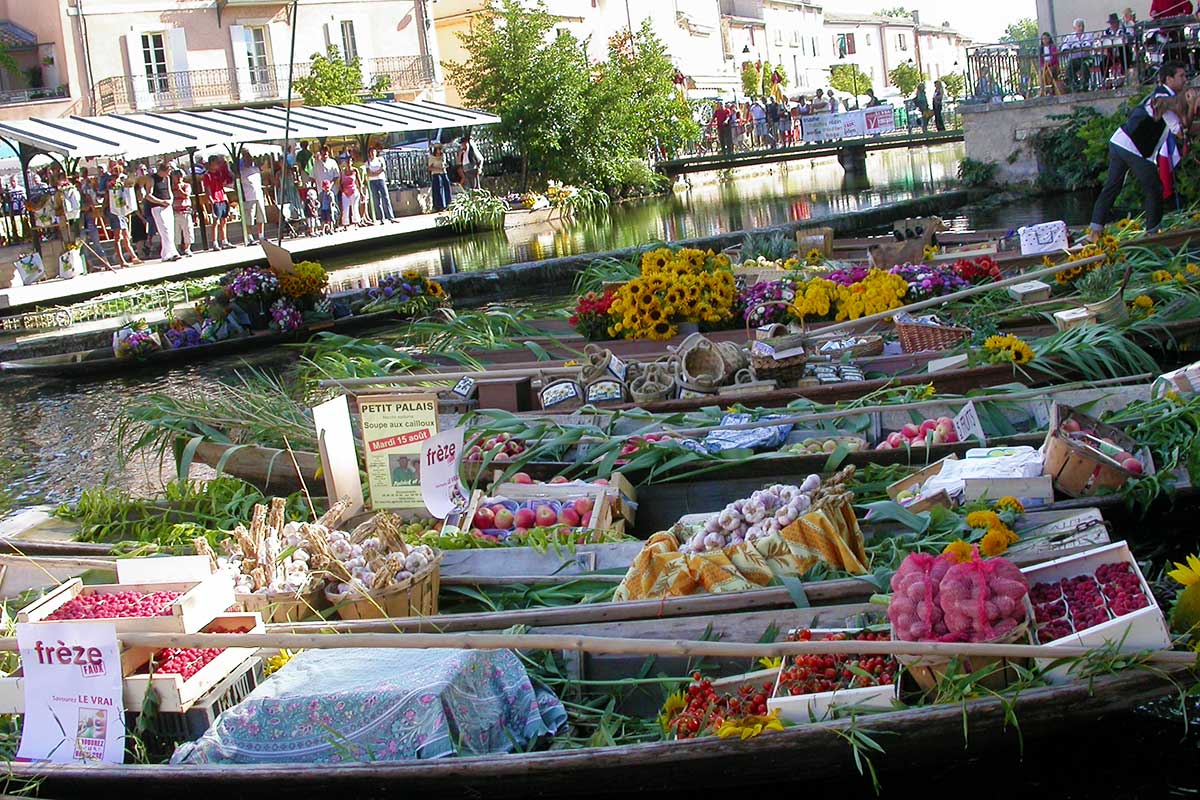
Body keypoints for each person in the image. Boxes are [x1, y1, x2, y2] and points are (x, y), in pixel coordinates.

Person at [1089, 61, 1189, 239]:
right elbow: (1178, 127)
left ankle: (1095, 230)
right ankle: (1152, 233)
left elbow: (1178, 127)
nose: (1185, 80)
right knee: (1154, 188)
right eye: (1181, 76)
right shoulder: (1162, 95)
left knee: (1112, 187)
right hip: (1134, 148)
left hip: (1120, 141)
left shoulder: (1167, 97)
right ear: (1169, 79)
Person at [104, 162, 140, 267]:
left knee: (126, 235)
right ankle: (121, 261)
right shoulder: (110, 186)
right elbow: (107, 199)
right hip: (114, 212)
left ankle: (133, 257)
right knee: (118, 237)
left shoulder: (121, 184)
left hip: (121, 210)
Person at [147, 161, 179, 262]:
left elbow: (169, 192)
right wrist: (161, 202)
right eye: (168, 171)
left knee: (170, 230)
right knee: (164, 230)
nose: (169, 173)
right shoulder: (152, 179)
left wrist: (170, 201)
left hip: (167, 206)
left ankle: (165, 254)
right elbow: (148, 195)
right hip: (157, 207)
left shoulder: (167, 178)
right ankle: (173, 252)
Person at [202, 155, 233, 250]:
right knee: (215, 221)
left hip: (222, 198)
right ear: (211, 163)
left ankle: (224, 241)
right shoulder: (207, 175)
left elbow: (225, 183)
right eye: (216, 162)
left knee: (224, 220)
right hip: (215, 200)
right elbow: (207, 189)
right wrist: (211, 200)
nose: (218, 165)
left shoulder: (219, 173)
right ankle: (215, 242)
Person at [238, 149, 266, 243]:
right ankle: (249, 236)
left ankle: (261, 235)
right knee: (249, 218)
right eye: (246, 159)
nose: (249, 160)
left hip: (259, 195)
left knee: (261, 217)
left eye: (250, 158)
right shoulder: (241, 172)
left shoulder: (256, 169)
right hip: (249, 196)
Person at [1062, 19, 1093, 93]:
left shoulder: (1088, 35)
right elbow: (1064, 47)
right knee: (1069, 68)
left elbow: (1090, 45)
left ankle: (1084, 86)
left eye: (1082, 26)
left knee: (1085, 66)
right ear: (1074, 28)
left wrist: (1084, 48)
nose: (1081, 28)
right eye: (1079, 26)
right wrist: (1067, 49)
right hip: (1074, 59)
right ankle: (1074, 85)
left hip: (1087, 58)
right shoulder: (1070, 37)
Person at [365, 146, 395, 224]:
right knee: (376, 200)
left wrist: (375, 173)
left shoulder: (380, 159)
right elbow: (368, 173)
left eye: (373, 152)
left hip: (381, 180)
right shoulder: (367, 162)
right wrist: (374, 173)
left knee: (386, 198)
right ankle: (381, 218)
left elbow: (383, 169)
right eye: (371, 152)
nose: (372, 153)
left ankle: (390, 217)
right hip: (372, 181)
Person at [170, 167, 193, 257]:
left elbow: (186, 195)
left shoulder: (186, 185)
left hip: (185, 211)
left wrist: (179, 189)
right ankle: (177, 249)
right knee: (176, 232)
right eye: (177, 176)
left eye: (180, 176)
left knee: (187, 230)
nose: (179, 178)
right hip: (175, 212)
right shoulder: (171, 187)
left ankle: (187, 248)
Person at [338, 159, 363, 228]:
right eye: (347, 162)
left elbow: (359, 182)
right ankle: (345, 224)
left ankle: (356, 222)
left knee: (355, 207)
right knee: (345, 209)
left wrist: (361, 192)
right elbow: (340, 182)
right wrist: (342, 190)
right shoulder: (342, 171)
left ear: (352, 162)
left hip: (354, 191)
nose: (348, 164)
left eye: (349, 162)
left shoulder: (355, 170)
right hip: (345, 192)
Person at [429, 142, 452, 211]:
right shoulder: (432, 157)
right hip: (436, 174)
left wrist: (445, 166)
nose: (440, 150)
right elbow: (430, 168)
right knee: (438, 189)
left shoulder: (443, 156)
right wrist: (438, 169)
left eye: (440, 149)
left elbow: (444, 164)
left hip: (443, 173)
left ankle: (448, 204)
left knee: (446, 187)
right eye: (438, 149)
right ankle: (439, 205)